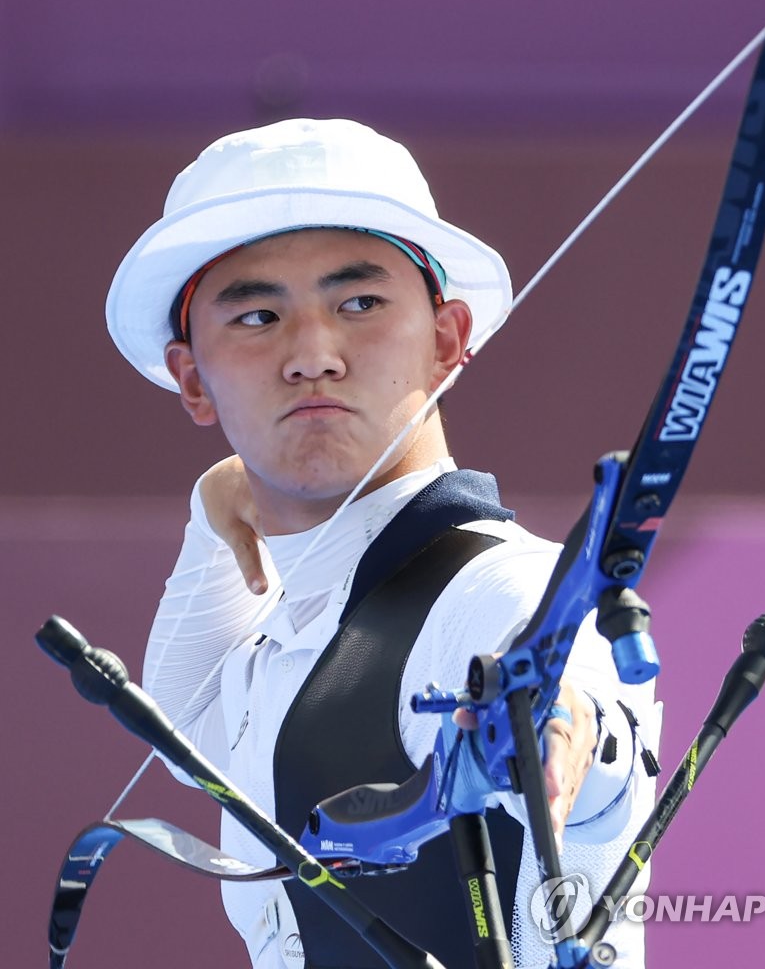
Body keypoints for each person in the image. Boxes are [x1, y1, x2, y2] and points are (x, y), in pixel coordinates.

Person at [106, 117, 660, 968]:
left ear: (446, 342)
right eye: (257, 316)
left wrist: (565, 727)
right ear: (192, 378)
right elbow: (181, 726)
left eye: (360, 303)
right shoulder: (287, 630)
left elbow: (569, 700)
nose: (313, 355)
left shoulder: (494, 588)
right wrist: (213, 506)